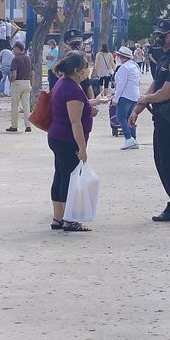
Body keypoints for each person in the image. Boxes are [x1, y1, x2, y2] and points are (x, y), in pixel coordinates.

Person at [130, 18, 170, 221]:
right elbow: (155, 85)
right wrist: (138, 109)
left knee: (169, 163)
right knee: (161, 162)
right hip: (162, 116)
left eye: (163, 34)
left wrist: (145, 99)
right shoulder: (164, 58)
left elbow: (166, 92)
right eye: (157, 33)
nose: (159, 37)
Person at [47, 51, 96, 232]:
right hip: (67, 138)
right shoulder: (73, 89)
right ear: (77, 70)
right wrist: (82, 148)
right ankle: (69, 219)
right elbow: (75, 121)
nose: (87, 70)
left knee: (60, 174)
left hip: (56, 136)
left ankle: (58, 218)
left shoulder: (63, 83)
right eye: (85, 67)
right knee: (70, 178)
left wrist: (90, 106)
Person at [111, 45, 142, 149]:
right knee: (130, 117)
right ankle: (133, 138)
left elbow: (121, 85)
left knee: (120, 116)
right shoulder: (135, 65)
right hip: (135, 95)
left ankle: (128, 138)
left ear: (123, 57)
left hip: (125, 95)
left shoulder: (124, 68)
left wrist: (115, 99)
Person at [7, 40, 34, 133]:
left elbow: (14, 74)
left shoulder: (15, 59)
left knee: (15, 105)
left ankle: (14, 125)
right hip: (27, 82)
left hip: (17, 83)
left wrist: (11, 80)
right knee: (26, 106)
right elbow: (32, 73)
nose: (13, 50)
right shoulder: (28, 58)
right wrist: (31, 84)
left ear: (18, 48)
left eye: (14, 48)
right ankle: (28, 125)